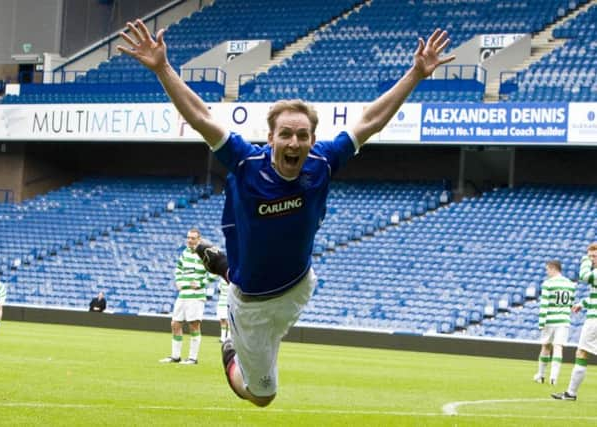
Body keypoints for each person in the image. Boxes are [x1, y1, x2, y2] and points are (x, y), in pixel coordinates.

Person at [119, 20, 455, 406]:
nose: (294, 142)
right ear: (271, 138)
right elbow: (200, 117)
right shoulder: (246, 163)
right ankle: (228, 340)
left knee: (273, 281)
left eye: (303, 135)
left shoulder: (322, 161)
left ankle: (226, 266)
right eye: (286, 134)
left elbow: (370, 121)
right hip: (253, 306)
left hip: (300, 285)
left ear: (312, 139)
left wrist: (415, 73)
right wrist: (163, 68)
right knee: (261, 396)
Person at [159, 228, 218, 365]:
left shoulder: (205, 253)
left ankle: (192, 358)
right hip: (183, 293)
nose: (189, 240)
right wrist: (178, 281)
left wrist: (201, 283)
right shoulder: (185, 253)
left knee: (194, 325)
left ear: (199, 239)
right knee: (175, 323)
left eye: (192, 238)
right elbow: (178, 268)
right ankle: (175, 356)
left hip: (196, 295)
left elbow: (215, 272)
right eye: (188, 237)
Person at [552, 243, 597, 400]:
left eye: (594, 256)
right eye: (590, 256)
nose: (592, 260)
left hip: (595, 321)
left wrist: (584, 260)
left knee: (582, 353)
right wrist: (582, 304)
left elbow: (584, 276)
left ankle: (571, 393)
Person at [533, 260, 575, 385]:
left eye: (547, 269)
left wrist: (541, 322)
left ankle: (540, 375)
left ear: (552, 268)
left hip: (550, 320)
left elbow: (544, 304)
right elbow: (570, 303)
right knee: (558, 347)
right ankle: (553, 378)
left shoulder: (548, 284)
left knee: (546, 346)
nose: (547, 272)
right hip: (563, 320)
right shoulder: (570, 284)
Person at [217, 278, 230, 343]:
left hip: (229, 301)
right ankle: (222, 337)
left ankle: (229, 337)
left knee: (229, 320)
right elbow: (219, 289)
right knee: (222, 320)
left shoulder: (232, 279)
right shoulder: (221, 279)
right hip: (221, 301)